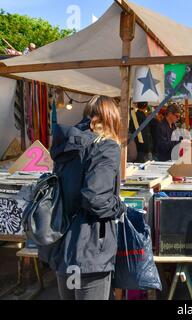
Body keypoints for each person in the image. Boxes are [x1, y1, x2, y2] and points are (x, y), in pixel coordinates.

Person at [39, 95, 127, 300]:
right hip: (90, 247)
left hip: (63, 244)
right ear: (112, 118)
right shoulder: (105, 146)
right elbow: (95, 198)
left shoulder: (68, 143)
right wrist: (119, 207)